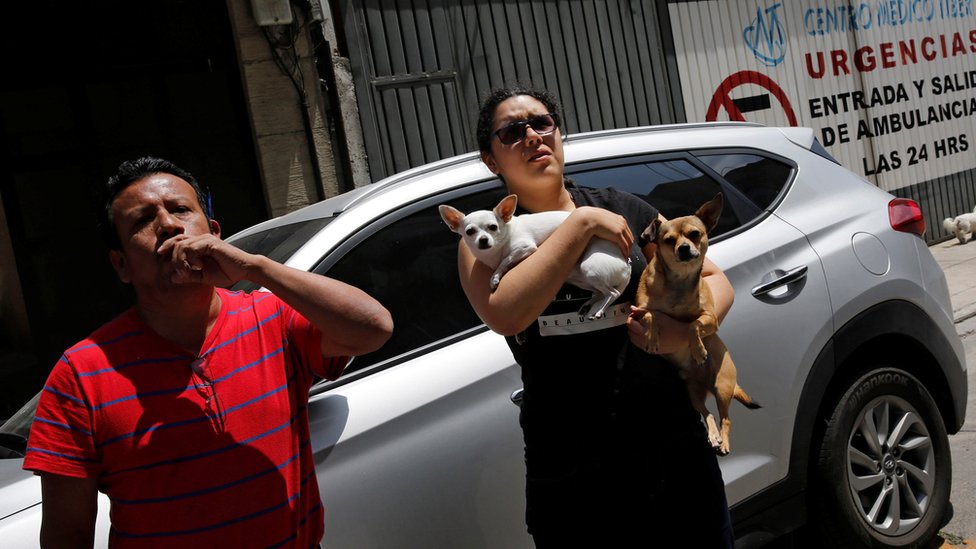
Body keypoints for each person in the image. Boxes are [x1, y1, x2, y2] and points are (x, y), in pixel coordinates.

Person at [23, 157, 393, 548]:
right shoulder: (80, 374)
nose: (168, 225)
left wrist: (256, 267)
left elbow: (373, 328)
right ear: (121, 265)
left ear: (214, 232)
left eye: (180, 209)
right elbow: (67, 534)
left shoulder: (271, 318)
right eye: (142, 220)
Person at [458, 87, 736, 547]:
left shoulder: (623, 208)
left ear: (559, 134)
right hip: (574, 479)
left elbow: (714, 278)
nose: (531, 136)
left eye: (542, 123)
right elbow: (505, 312)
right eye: (511, 131)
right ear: (491, 159)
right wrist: (582, 223)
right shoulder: (483, 237)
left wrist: (686, 330)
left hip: (671, 452)